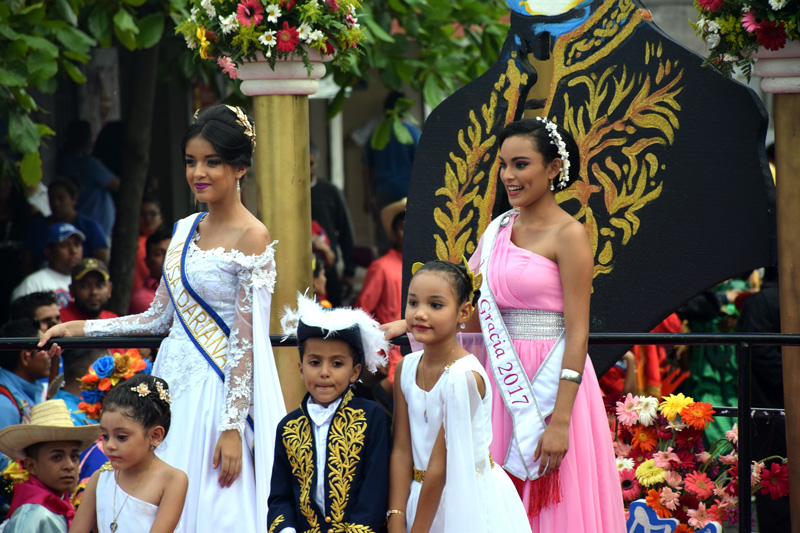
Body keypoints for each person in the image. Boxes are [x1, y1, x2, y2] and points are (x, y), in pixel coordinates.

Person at [41, 104, 285, 532]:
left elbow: (246, 342)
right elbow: (158, 319)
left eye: (212, 162)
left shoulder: (254, 235)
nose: (198, 173)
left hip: (217, 393)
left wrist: (231, 427)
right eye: (191, 161)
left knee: (212, 504)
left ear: (240, 167)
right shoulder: (183, 229)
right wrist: (82, 328)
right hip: (170, 384)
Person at [384, 117, 625, 531]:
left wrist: (561, 420)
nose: (508, 176)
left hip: (550, 386)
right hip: (497, 378)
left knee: (552, 500)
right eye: (503, 165)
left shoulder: (569, 234)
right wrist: (407, 325)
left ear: (553, 169)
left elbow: (578, 329)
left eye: (520, 164)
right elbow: (468, 310)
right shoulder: (496, 230)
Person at [387, 260, 529, 532]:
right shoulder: (406, 368)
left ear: (464, 312)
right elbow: (402, 450)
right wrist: (396, 515)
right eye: (413, 303)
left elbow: (440, 467)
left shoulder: (463, 377)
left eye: (435, 305)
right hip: (418, 498)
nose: (420, 314)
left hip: (465, 499)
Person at [267, 294, 391, 533]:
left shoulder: (370, 416)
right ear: (301, 369)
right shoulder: (288, 427)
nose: (324, 372)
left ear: (355, 372)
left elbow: (375, 489)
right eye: (315, 363)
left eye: (336, 364)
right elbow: (280, 497)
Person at [70, 374, 188, 532]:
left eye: (121, 437)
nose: (110, 445)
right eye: (105, 436)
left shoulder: (172, 480)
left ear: (155, 436)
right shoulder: (99, 478)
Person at [0, 399, 99, 532]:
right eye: (57, 457)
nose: (69, 465)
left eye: (74, 456)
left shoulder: (57, 507)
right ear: (31, 466)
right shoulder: (33, 517)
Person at [354, 198, 405, 411]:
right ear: (394, 233)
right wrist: (376, 354)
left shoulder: (428, 268)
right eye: (403, 228)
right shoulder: (382, 267)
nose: (408, 233)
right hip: (391, 352)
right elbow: (362, 312)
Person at [362, 92, 421, 252]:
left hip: (383, 194)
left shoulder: (377, 134)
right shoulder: (413, 133)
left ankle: (384, 273)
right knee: (411, 239)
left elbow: (368, 168)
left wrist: (368, 197)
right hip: (408, 195)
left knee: (384, 238)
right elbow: (422, 166)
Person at [23, 178, 109, 270]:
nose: (56, 203)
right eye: (52, 199)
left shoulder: (90, 227)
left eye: (61, 198)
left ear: (74, 199)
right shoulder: (37, 227)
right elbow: (26, 261)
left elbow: (102, 262)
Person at [310, 141, 356, 307]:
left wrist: (349, 271)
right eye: (303, 164)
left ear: (316, 162)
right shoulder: (287, 193)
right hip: (301, 265)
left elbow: (345, 231)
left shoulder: (330, 192)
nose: (307, 169)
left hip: (328, 264)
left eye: (311, 164)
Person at [58, 120, 120, 238]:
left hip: (79, 221)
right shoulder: (89, 164)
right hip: (97, 225)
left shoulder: (66, 162)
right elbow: (116, 185)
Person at [0, 319, 59, 433]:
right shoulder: (4, 404)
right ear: (26, 356)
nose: (50, 356)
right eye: (44, 350)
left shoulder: (30, 391)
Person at [11, 222, 84, 308]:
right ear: (49, 252)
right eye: (64, 245)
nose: (73, 251)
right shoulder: (33, 284)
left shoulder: (87, 281)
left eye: (77, 244)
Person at [52, 349, 108, 426]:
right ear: (94, 373)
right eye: (108, 371)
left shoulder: (101, 407)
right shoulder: (65, 420)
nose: (112, 379)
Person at [60, 258, 117, 323]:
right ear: (72, 290)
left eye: (99, 285)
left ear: (110, 289)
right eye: (84, 286)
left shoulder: (113, 321)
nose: (94, 292)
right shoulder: (59, 321)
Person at [129, 229, 171, 315]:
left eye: (172, 252)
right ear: (147, 262)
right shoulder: (142, 299)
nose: (167, 258)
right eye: (158, 254)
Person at [132, 196, 165, 296]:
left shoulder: (172, 241)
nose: (147, 219)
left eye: (152, 214)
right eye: (142, 214)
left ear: (161, 217)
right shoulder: (133, 245)